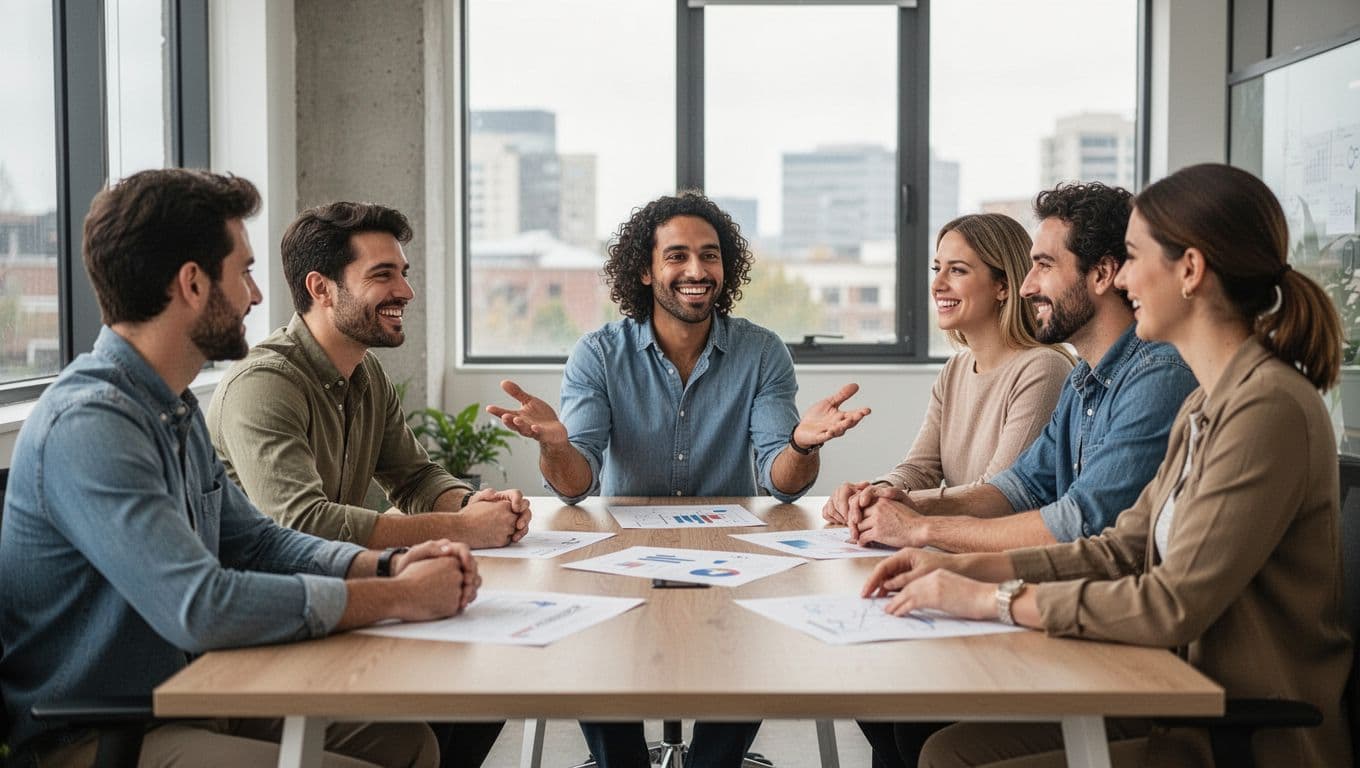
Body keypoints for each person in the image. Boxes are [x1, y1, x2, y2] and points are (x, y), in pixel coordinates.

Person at [863, 163, 1353, 767]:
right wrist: (967, 568)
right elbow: (1122, 545)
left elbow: (1172, 602)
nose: (1123, 277)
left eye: (1133, 257)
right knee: (944, 750)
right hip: (1166, 685)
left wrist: (991, 599)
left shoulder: (1266, 409)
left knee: (948, 756)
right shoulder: (1207, 401)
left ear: (1190, 271)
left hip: (1231, 720)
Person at [0, 170, 481, 767]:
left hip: (201, 695)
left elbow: (255, 542)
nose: (256, 295)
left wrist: (386, 564)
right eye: (245, 272)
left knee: (409, 746)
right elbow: (201, 606)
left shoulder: (168, 406)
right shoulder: (90, 423)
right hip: (104, 732)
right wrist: (393, 596)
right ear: (194, 284)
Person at [486, 191, 870, 768]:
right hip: (621, 555)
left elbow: (783, 483)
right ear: (645, 269)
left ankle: (712, 763)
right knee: (586, 613)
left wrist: (798, 446)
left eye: (710, 256)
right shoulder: (599, 354)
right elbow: (575, 483)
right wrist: (556, 448)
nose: (696, 271)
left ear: (726, 267)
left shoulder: (761, 352)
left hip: (732, 555)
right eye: (678, 256)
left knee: (768, 612)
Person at [206, 201, 521, 767]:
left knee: (490, 682)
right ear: (321, 288)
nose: (406, 290)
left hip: (345, 599)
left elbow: (416, 476)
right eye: (383, 274)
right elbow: (302, 523)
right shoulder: (264, 385)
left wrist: (478, 505)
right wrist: (464, 529)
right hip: (278, 626)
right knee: (438, 715)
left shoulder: (365, 371)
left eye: (404, 273)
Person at [842, 183, 1198, 555]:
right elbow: (1020, 487)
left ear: (1103, 273)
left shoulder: (1157, 376)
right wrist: (910, 503)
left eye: (1044, 266)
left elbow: (1083, 522)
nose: (1026, 287)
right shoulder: (1082, 380)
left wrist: (921, 528)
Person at [822, 213, 1072, 536]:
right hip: (956, 548)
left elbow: (1000, 495)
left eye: (957, 270)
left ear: (1004, 286)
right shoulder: (954, 370)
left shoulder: (1043, 369)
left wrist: (896, 502)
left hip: (1004, 560)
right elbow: (919, 469)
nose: (938, 285)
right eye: (937, 269)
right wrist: (870, 494)